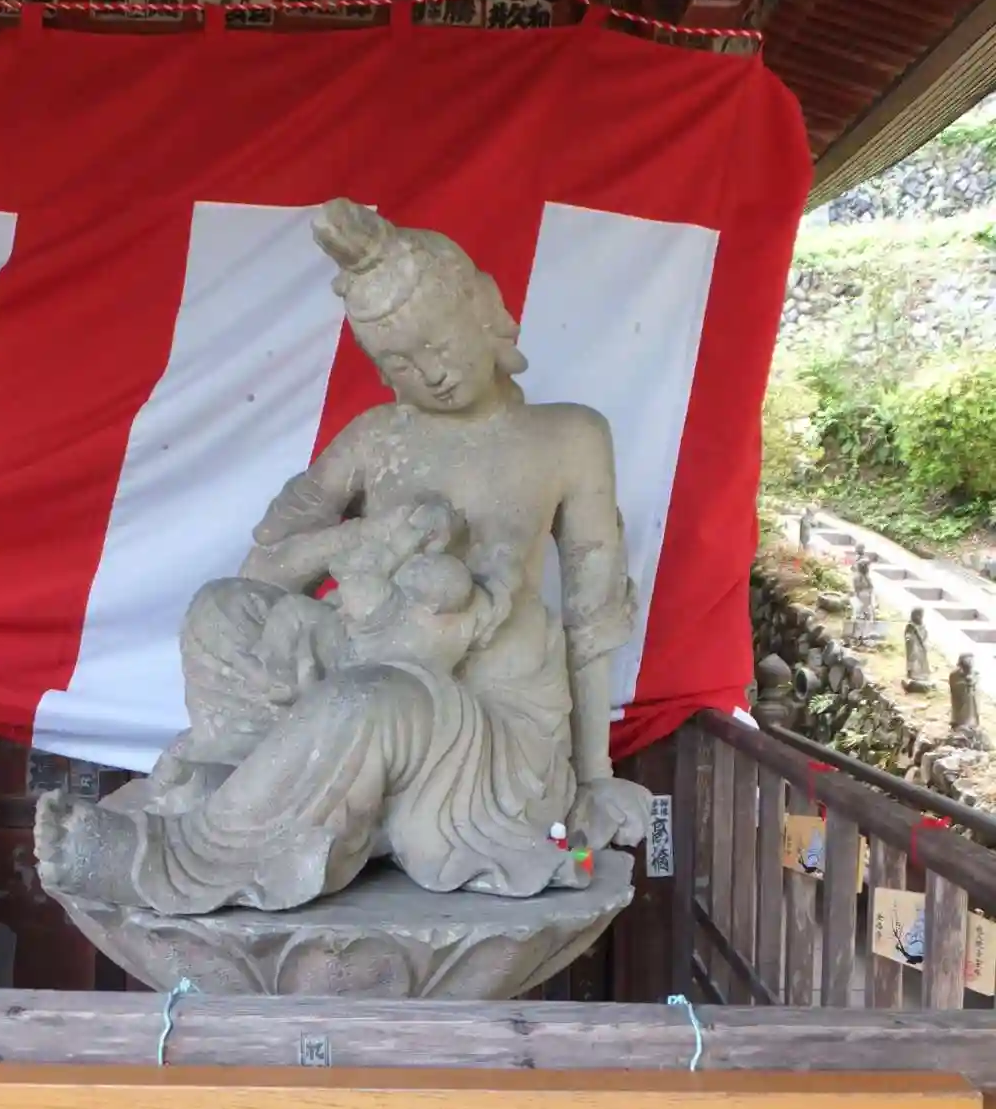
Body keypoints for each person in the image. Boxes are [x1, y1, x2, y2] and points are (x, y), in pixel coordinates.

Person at [36, 199, 650, 915]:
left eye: (441, 344)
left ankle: (177, 859)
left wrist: (594, 775)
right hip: (370, 654)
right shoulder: (376, 438)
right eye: (402, 362)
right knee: (220, 611)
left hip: (488, 724)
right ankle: (244, 778)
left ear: (483, 313)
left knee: (368, 701)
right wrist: (353, 541)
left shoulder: (570, 436)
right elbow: (261, 571)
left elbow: (592, 617)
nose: (433, 373)